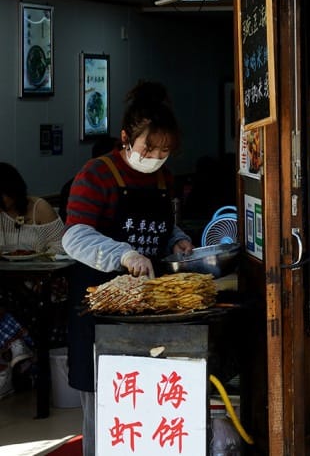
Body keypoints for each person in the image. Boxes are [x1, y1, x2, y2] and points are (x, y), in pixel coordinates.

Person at [62, 82, 193, 452]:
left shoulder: (164, 178)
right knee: (106, 410)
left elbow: (164, 225)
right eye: (148, 148)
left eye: (164, 151)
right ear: (125, 138)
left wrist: (176, 240)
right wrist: (123, 255)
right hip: (98, 308)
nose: (154, 157)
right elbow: (74, 238)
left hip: (148, 309)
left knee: (146, 406)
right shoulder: (96, 174)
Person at [0, 162, 65, 397]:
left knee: (16, 296)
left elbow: (62, 245)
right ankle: (15, 349)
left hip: (45, 279)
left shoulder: (39, 208)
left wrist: (44, 260)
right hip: (10, 280)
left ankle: (17, 347)